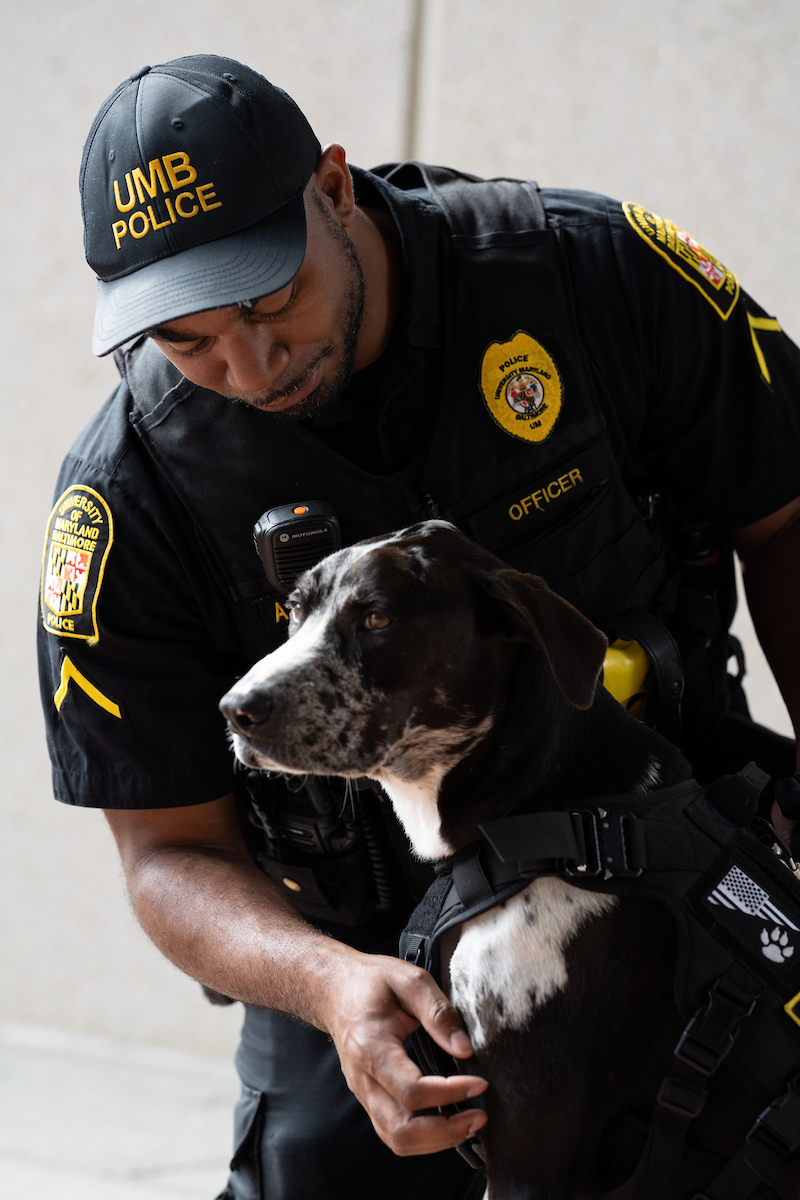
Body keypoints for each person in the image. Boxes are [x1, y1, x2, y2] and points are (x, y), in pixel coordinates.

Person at [38, 53, 800, 1200]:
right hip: (360, 935)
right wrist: (328, 988)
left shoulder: (588, 277)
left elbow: (786, 516)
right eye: (186, 340)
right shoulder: (130, 493)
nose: (247, 366)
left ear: (333, 186)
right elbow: (166, 854)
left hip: (666, 854)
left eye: (266, 297)